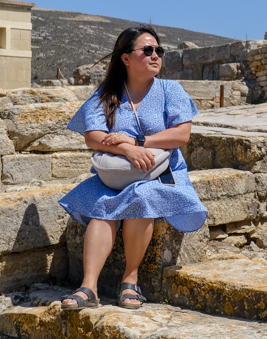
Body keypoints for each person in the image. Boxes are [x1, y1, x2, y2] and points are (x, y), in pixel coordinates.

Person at [58, 26, 207, 311]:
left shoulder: (170, 90)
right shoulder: (106, 94)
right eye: (147, 50)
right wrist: (126, 148)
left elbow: (181, 135)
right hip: (116, 174)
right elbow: (92, 136)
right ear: (125, 58)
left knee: (141, 198)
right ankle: (89, 287)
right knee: (101, 205)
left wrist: (138, 140)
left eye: (158, 51)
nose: (155, 56)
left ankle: (130, 279)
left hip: (160, 174)